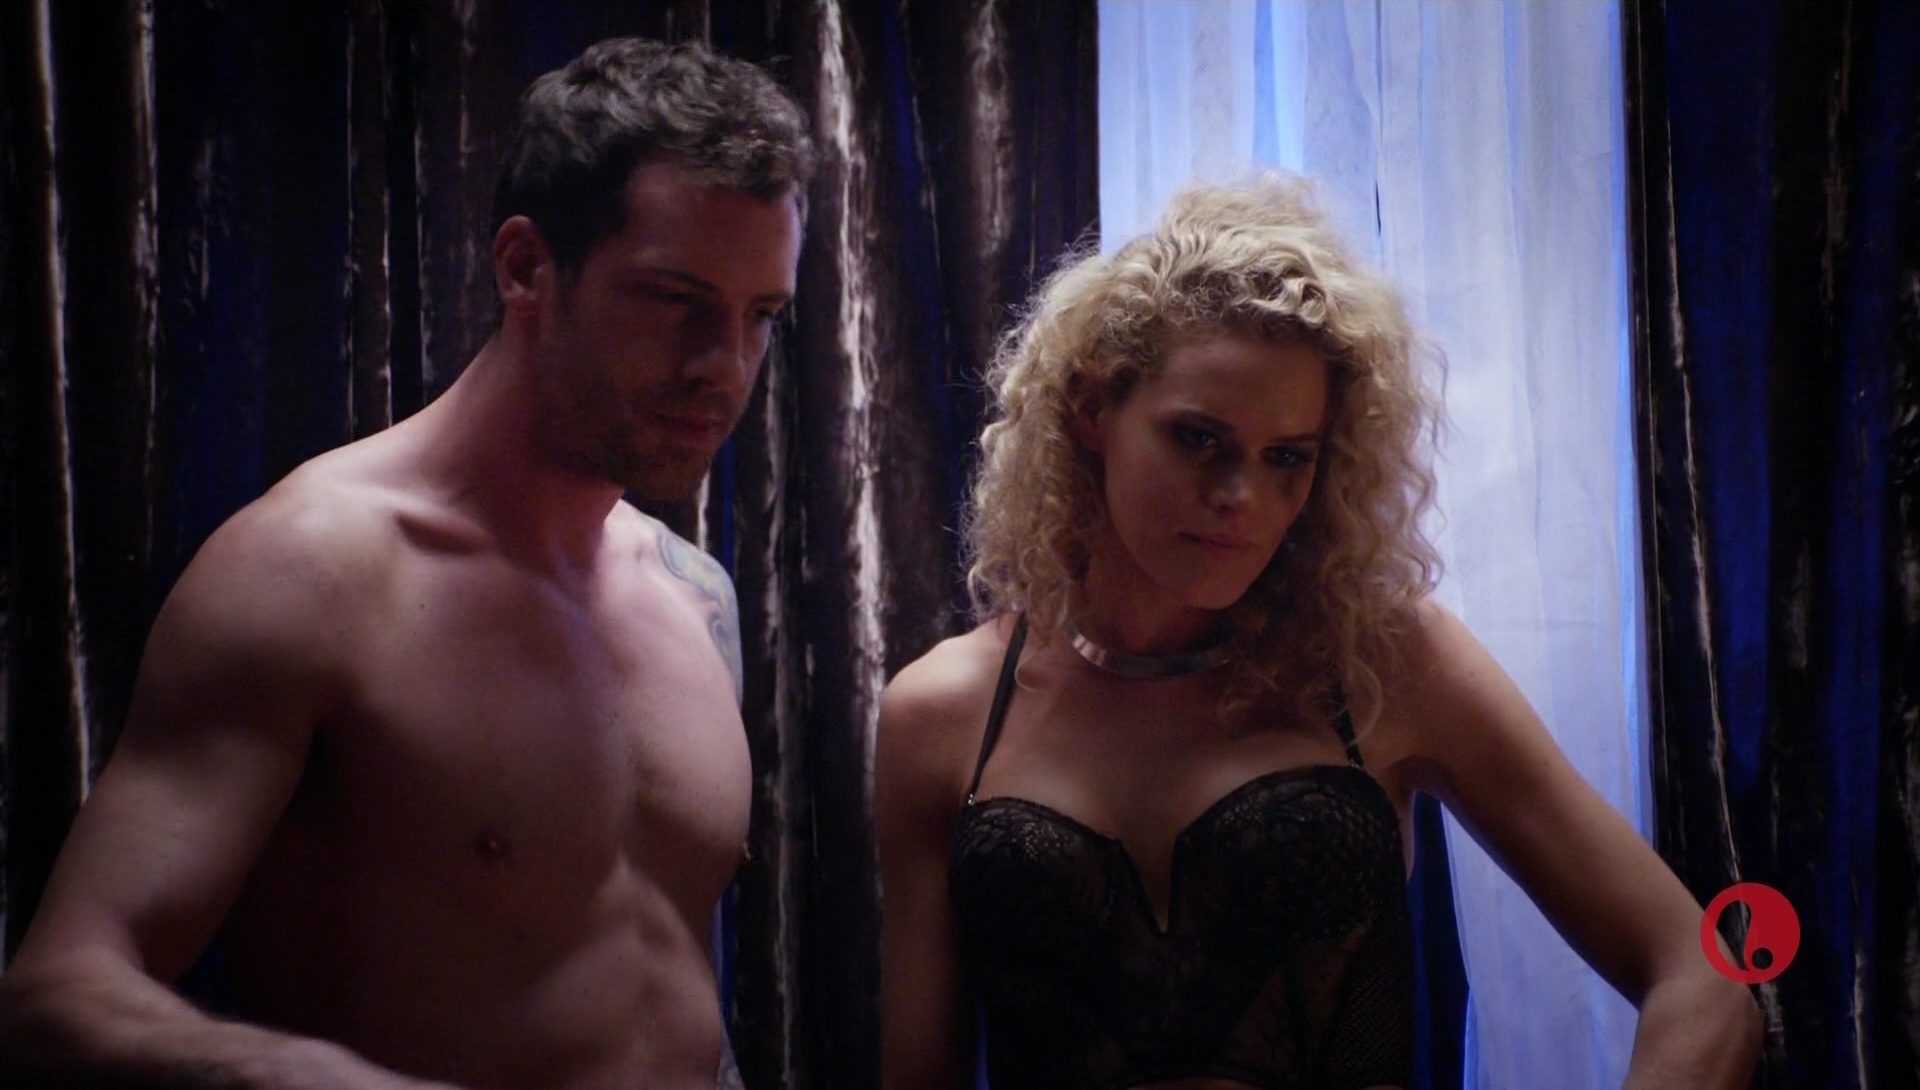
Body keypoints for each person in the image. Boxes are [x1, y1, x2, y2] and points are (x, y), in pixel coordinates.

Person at [0, 37, 810, 1090]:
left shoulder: (692, 595)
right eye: (675, 300)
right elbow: (56, 994)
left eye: (760, 316)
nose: (724, 367)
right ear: (525, 267)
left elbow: (655, 985)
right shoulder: (312, 574)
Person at [875, 177, 1762, 1090]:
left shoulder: (1383, 664)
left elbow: (1704, 974)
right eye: (1199, 439)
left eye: (1287, 457)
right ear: (1093, 409)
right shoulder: (942, 715)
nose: (1242, 498)